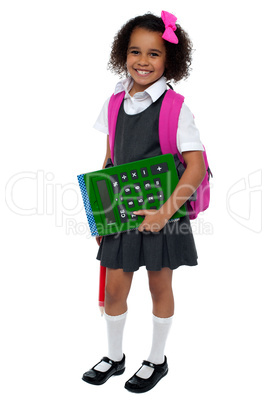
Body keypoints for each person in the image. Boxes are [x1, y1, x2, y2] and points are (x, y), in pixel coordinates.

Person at [82, 10, 206, 393]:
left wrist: (164, 213)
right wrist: (99, 213)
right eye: (135, 51)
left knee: (159, 286)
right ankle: (115, 357)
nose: (143, 61)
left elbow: (196, 168)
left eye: (154, 54)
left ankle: (156, 359)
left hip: (162, 212)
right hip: (121, 211)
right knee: (114, 289)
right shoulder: (114, 101)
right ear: (123, 54)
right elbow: (110, 159)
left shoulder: (176, 108)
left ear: (170, 59)